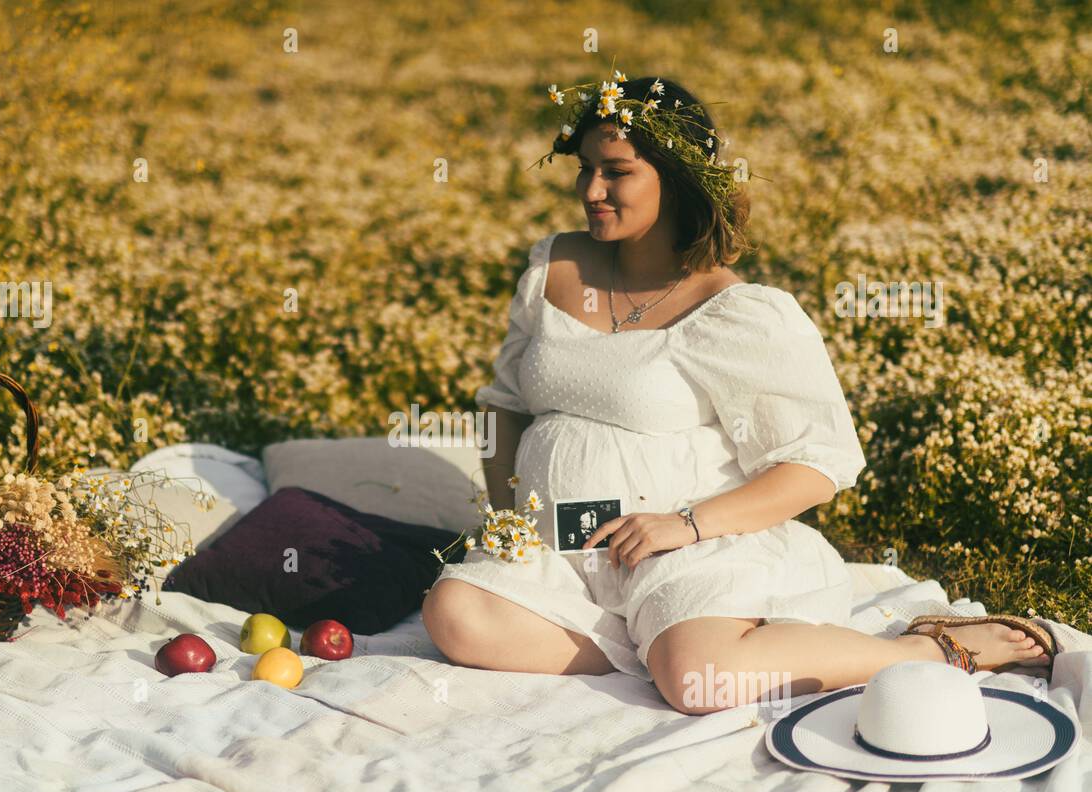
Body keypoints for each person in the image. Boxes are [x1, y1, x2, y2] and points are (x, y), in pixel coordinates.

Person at [421, 71, 1052, 713]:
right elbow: (503, 404)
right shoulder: (554, 266)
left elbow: (818, 464)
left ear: (677, 176)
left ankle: (927, 651)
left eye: (617, 171)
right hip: (563, 545)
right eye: (585, 168)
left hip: (685, 548)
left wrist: (686, 526)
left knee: (704, 680)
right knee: (455, 613)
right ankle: (657, 650)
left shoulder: (738, 312)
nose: (592, 189)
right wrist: (507, 523)